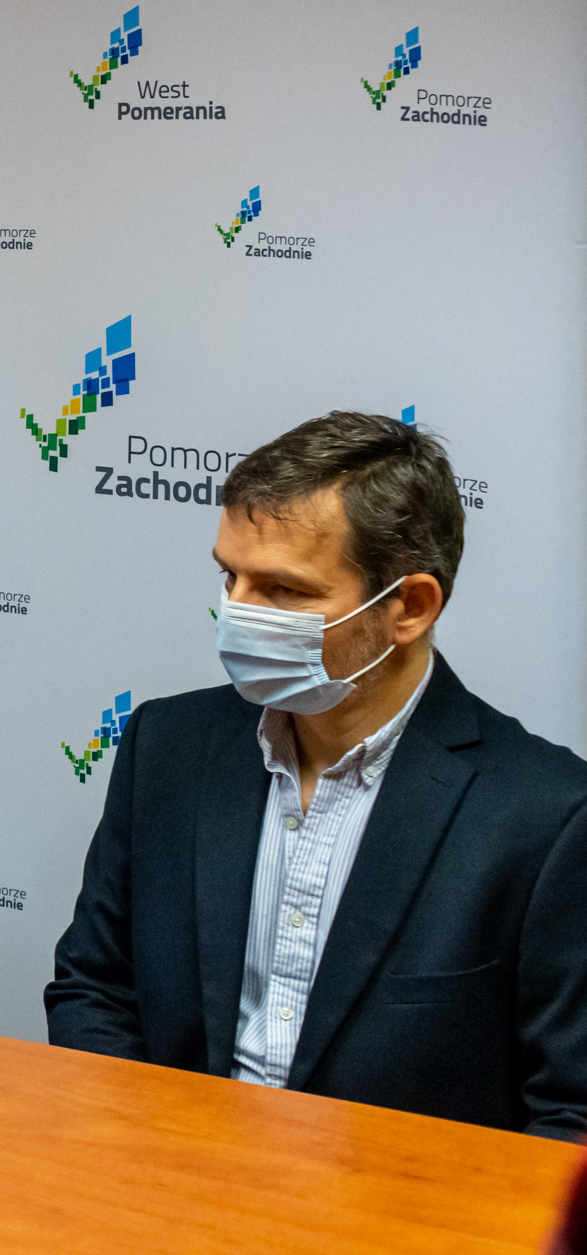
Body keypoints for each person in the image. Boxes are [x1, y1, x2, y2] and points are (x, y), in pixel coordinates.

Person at [47, 411, 587, 1137]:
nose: (235, 615)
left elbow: (569, 1113)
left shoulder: (547, 817)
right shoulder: (167, 746)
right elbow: (94, 989)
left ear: (409, 607)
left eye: (282, 591)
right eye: (229, 576)